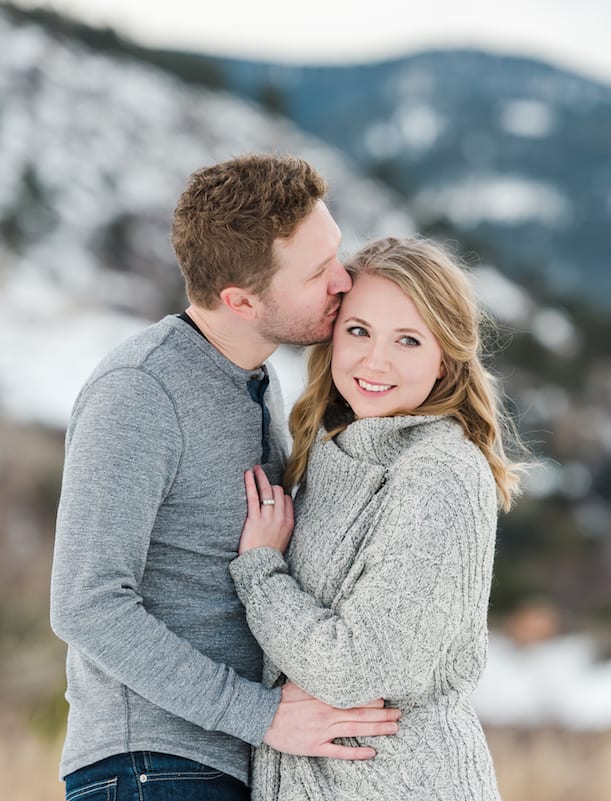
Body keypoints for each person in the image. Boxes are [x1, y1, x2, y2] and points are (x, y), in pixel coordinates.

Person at [49, 155, 402, 801]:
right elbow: (86, 603)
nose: (343, 280)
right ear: (240, 300)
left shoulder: (255, 381)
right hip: (151, 767)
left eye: (336, 254)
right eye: (317, 271)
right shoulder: (140, 391)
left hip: (218, 764)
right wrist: (260, 714)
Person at [229, 236, 524, 800]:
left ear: (444, 358)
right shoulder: (327, 453)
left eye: (407, 340)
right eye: (359, 331)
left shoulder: (439, 472)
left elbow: (355, 669)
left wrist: (262, 571)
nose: (375, 361)